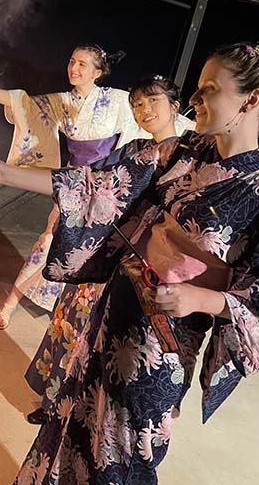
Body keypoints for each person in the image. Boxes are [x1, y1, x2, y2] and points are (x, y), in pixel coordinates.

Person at [0, 42, 259, 485]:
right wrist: (6, 173)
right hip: (111, 316)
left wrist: (200, 297)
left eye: (209, 89)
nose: (196, 100)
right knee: (70, 430)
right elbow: (101, 185)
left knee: (120, 459)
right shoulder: (184, 153)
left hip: (157, 349)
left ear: (251, 99)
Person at [0, 45, 189, 329]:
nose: (74, 68)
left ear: (97, 73)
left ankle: (73, 313)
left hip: (109, 184)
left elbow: (171, 124)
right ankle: (11, 302)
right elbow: (22, 104)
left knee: (97, 254)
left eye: (83, 64)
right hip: (77, 182)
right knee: (51, 240)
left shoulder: (120, 101)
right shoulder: (63, 102)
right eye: (72, 61)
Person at [24, 75, 185, 425]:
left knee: (99, 344)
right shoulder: (132, 150)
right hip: (100, 250)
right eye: (138, 104)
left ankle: (78, 408)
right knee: (69, 326)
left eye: (153, 101)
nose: (145, 110)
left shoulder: (186, 158)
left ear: (174, 105)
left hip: (138, 265)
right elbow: (88, 181)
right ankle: (51, 401)